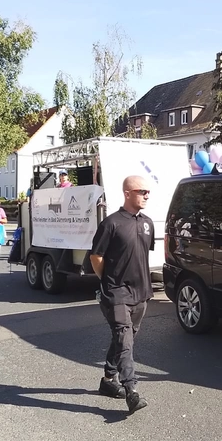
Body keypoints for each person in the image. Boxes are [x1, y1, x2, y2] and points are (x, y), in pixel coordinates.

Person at [89, 175, 154, 415]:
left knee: (124, 338)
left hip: (142, 293)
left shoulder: (147, 223)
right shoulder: (111, 223)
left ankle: (108, 380)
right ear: (127, 193)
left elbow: (141, 255)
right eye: (142, 191)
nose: (147, 195)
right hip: (116, 293)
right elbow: (96, 257)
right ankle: (132, 390)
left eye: (148, 192)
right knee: (125, 340)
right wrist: (108, 281)